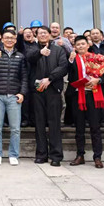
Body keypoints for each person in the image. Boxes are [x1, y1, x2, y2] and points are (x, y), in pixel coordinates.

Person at [26, 26, 68, 166]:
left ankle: (56, 156)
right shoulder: (32, 49)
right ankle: (41, 154)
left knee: (54, 123)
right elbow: (29, 58)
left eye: (45, 33)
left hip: (53, 90)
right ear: (36, 35)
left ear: (50, 35)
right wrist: (40, 53)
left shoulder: (58, 50)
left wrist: (50, 79)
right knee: (39, 123)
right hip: (37, 91)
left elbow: (63, 67)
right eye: (40, 33)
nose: (43, 35)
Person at [0, 30, 27, 166]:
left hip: (14, 96)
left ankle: (13, 154)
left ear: (15, 40)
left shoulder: (20, 56)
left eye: (12, 38)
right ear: (2, 40)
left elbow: (24, 77)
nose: (9, 40)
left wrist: (22, 93)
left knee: (15, 128)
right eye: (7, 38)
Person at [68, 36, 104, 169]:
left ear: (88, 45)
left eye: (83, 44)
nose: (80, 46)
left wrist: (98, 80)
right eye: (78, 44)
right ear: (75, 47)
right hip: (78, 96)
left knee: (95, 128)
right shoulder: (73, 59)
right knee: (79, 128)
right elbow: (69, 75)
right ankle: (80, 155)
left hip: (93, 95)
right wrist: (70, 61)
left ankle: (97, 157)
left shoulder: (96, 58)